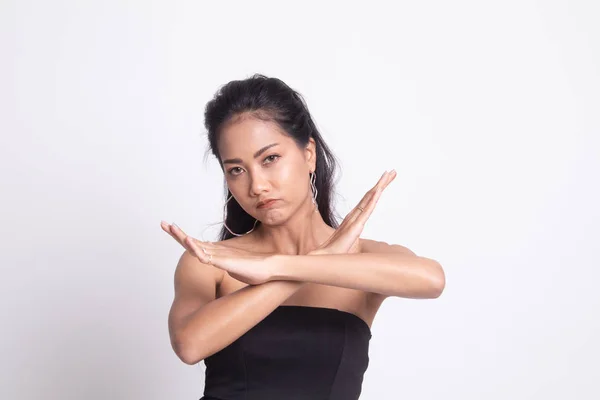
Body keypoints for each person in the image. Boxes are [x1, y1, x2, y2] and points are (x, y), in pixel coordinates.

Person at [160, 74, 445, 400]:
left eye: (270, 159)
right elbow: (189, 344)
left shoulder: (360, 259)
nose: (257, 185)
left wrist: (279, 267)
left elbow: (432, 279)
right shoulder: (210, 262)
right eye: (236, 170)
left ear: (308, 154)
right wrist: (312, 263)